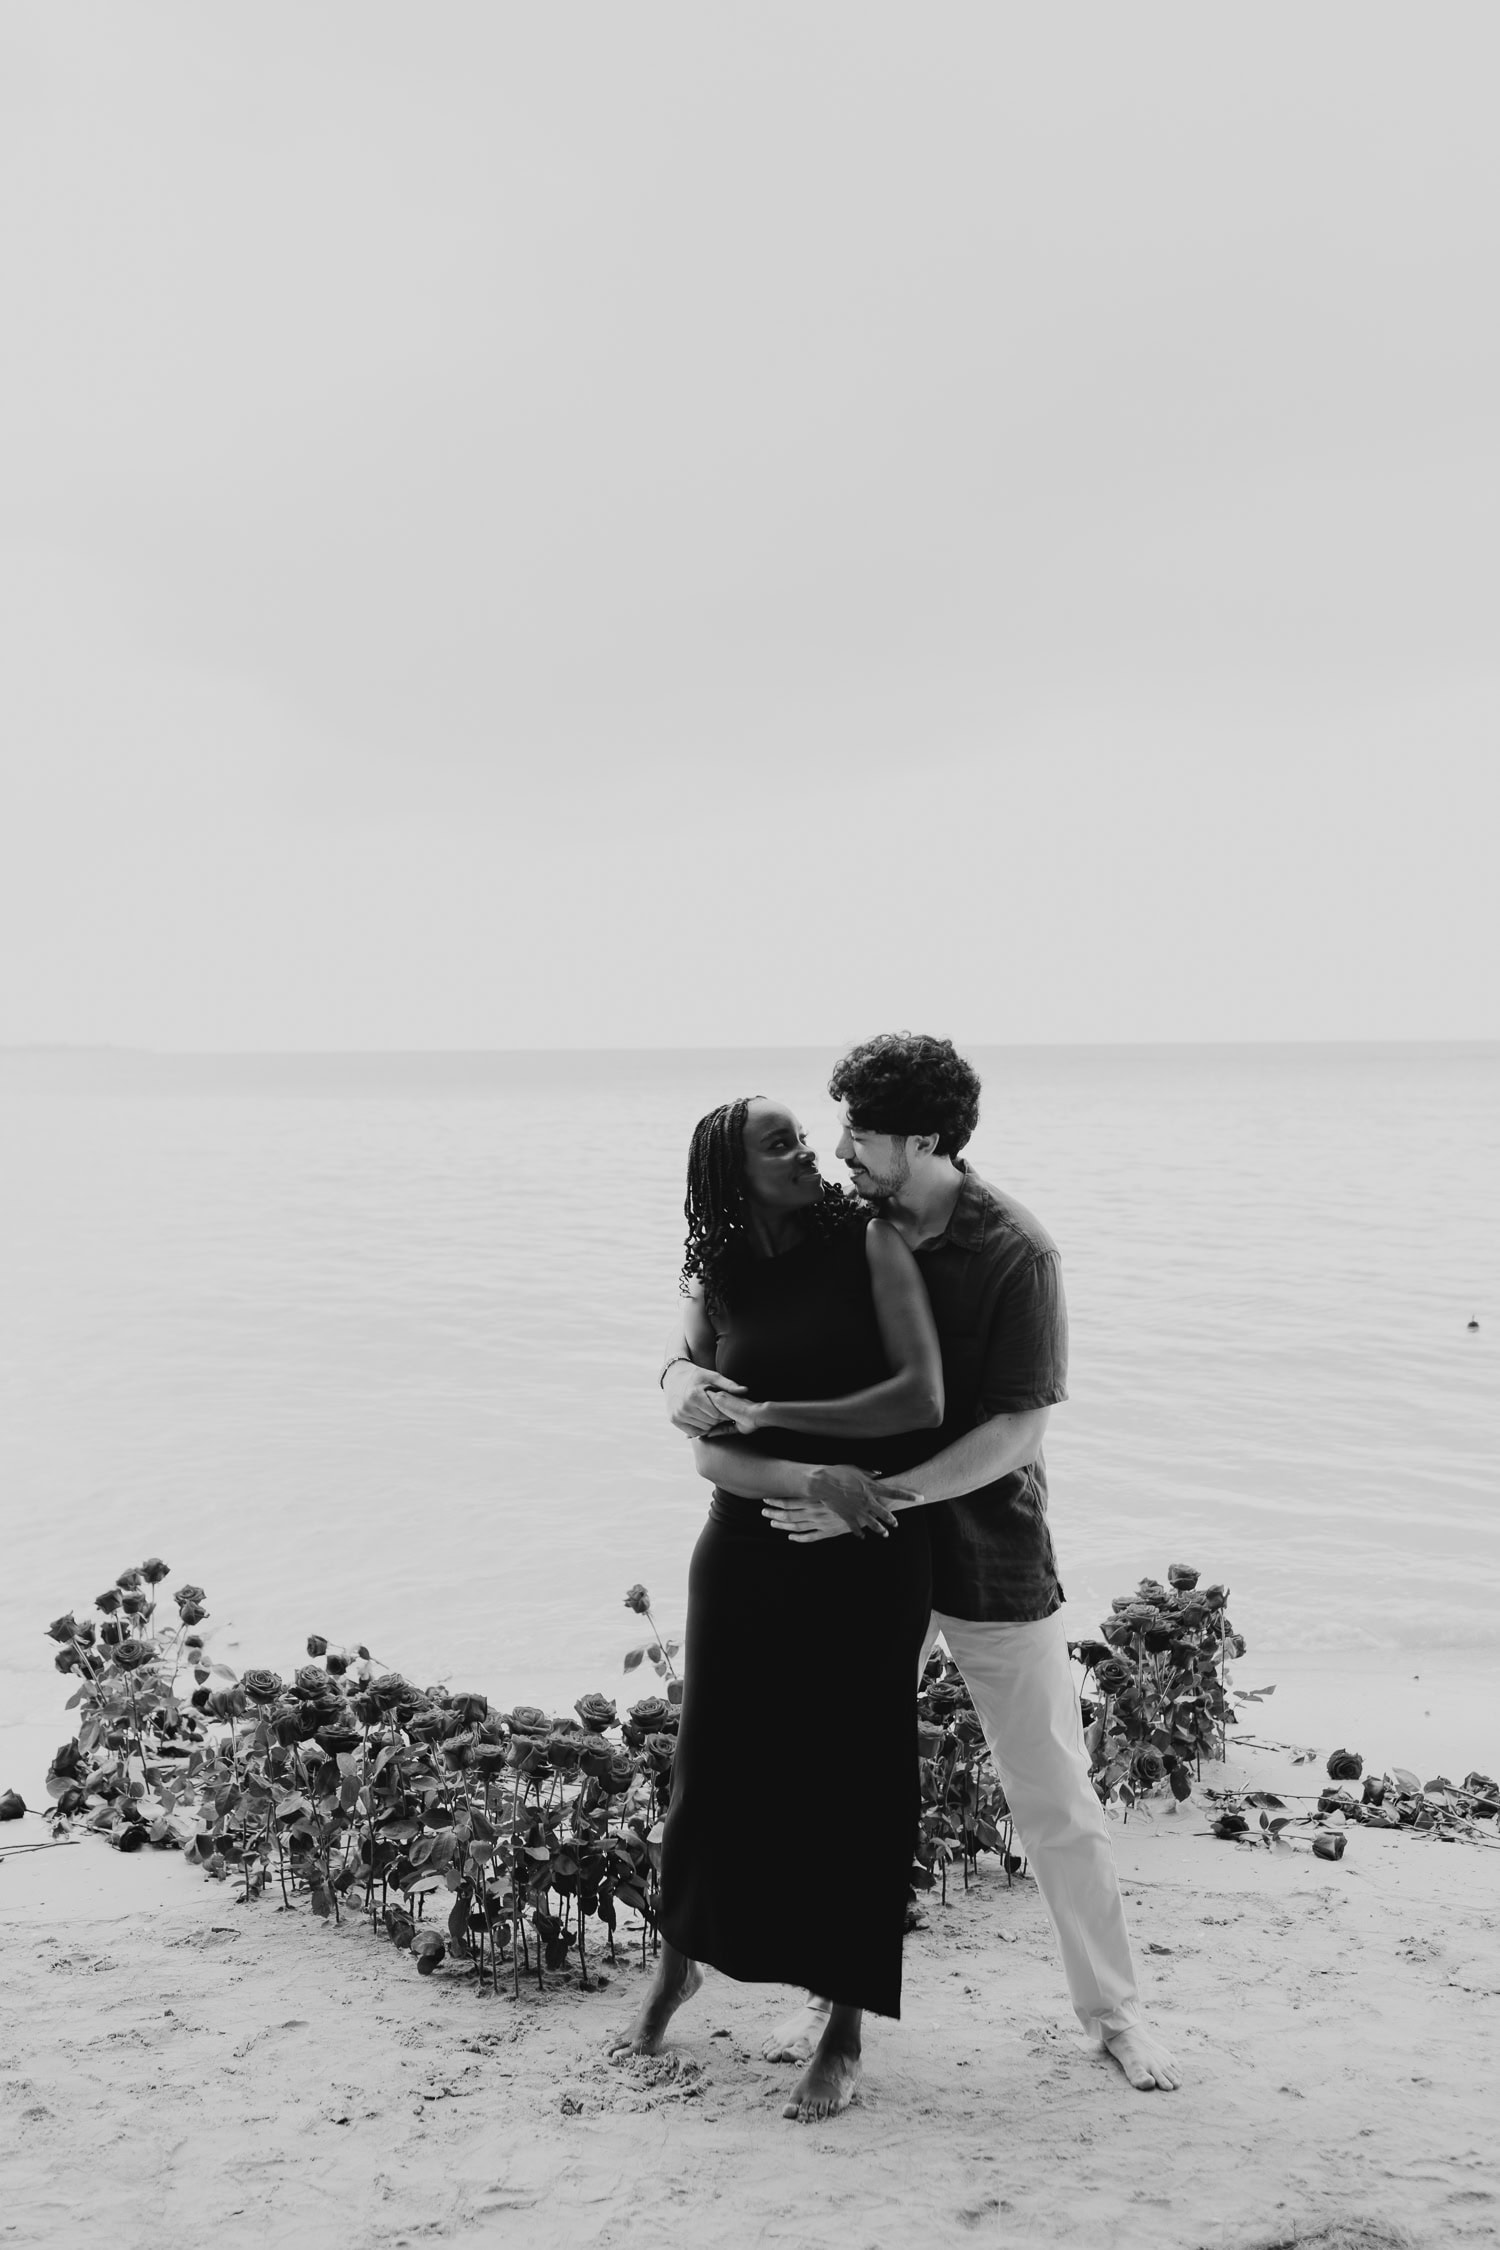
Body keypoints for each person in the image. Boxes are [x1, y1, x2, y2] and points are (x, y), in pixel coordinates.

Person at [664, 1034, 1182, 2095]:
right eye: (834, 1126)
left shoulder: (1014, 1253)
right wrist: (672, 1369)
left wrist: (878, 1494)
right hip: (853, 1567)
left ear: (924, 1141)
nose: (839, 1148)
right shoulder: (852, 1223)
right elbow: (720, 1310)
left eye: (859, 1132)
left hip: (984, 1551)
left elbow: (1015, 1431)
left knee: (1050, 1790)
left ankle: (1117, 2017)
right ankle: (828, 1994)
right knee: (829, 1777)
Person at [610, 1094, 944, 2121]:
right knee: (711, 1766)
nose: (807, 1153)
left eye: (806, 1136)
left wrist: (781, 1423)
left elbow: (920, 1398)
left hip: (867, 1546)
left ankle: (842, 2028)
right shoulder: (715, 1273)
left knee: (854, 1774)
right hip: (746, 1543)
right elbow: (702, 1433)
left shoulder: (873, 1241)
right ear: (731, 1174)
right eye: (780, 1143)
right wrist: (802, 1472)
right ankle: (679, 1963)